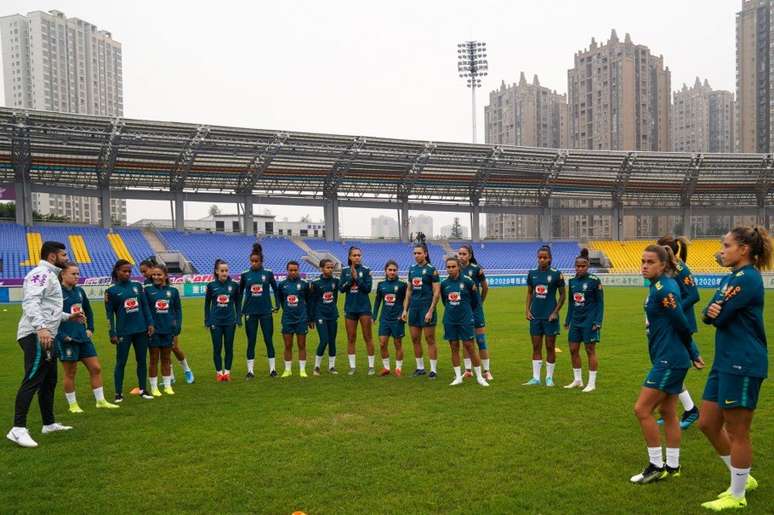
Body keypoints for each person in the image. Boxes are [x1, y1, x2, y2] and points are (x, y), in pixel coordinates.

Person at [696, 226, 771, 511]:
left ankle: (737, 493)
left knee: (738, 430)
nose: (722, 250)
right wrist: (712, 311)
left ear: (744, 250)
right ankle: (743, 477)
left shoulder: (748, 278)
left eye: (726, 246)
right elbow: (708, 314)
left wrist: (714, 311)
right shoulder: (734, 277)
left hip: (743, 361)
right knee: (707, 422)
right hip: (725, 361)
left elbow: (719, 312)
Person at [630, 244, 703, 485]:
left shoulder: (665, 288)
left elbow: (682, 323)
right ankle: (673, 466)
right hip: (668, 356)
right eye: (643, 261)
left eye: (650, 262)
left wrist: (692, 352)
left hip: (669, 359)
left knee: (642, 409)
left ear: (663, 265)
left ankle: (655, 466)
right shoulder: (656, 286)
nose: (644, 266)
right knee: (668, 411)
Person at [7, 241, 77, 448]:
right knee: (33, 378)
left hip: (46, 334)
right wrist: (41, 328)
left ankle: (49, 423)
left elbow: (48, 307)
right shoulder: (41, 273)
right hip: (37, 335)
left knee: (49, 381)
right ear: (53, 256)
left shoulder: (50, 275)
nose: (66, 258)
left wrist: (67, 317)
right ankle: (17, 429)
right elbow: (31, 301)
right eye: (64, 255)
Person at [56, 262, 119, 412]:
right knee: (70, 372)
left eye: (78, 273)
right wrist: (61, 335)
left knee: (96, 368)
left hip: (83, 337)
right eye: (73, 274)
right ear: (63, 274)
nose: (77, 276)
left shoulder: (79, 291)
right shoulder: (56, 293)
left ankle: (101, 401)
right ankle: (73, 405)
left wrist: (90, 328)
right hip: (67, 339)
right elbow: (50, 316)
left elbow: (89, 311)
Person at [655, 236, 702, 429]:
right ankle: (672, 413)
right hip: (671, 322)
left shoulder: (681, 269)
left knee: (671, 368)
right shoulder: (668, 268)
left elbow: (694, 295)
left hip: (681, 322)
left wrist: (675, 309)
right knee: (670, 367)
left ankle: (691, 410)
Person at [105, 259, 155, 402]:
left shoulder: (137, 287)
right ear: (117, 272)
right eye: (124, 271)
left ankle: (143, 389)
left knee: (142, 361)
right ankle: (118, 393)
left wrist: (150, 323)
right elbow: (109, 315)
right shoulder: (111, 291)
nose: (127, 274)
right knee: (121, 362)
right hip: (123, 332)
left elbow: (145, 306)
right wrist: (112, 332)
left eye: (129, 271)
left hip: (141, 330)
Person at [140, 258, 194, 384]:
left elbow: (176, 308)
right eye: (142, 272)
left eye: (145, 271)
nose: (144, 274)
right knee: (163, 352)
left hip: (169, 324)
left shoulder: (169, 289)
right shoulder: (146, 286)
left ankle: (187, 370)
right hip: (156, 325)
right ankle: (170, 377)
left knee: (174, 348)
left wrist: (177, 323)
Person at [441, 257, 489, 387]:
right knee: (454, 347)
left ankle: (479, 377)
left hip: (465, 320)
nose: (450, 269)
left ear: (458, 267)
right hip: (450, 320)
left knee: (470, 347)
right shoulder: (444, 284)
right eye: (448, 267)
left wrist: (466, 312)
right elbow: (445, 302)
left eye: (453, 267)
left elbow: (475, 301)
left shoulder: (468, 282)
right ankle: (458, 377)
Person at [524, 245, 566, 386]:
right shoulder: (532, 273)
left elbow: (563, 295)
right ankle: (536, 378)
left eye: (545, 258)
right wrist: (527, 310)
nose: (542, 260)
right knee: (536, 347)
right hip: (535, 316)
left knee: (549, 346)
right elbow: (530, 292)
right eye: (540, 257)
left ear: (550, 259)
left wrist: (555, 312)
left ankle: (549, 378)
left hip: (550, 317)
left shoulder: (556, 274)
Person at [563, 248, 604, 393]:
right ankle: (578, 380)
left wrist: (598, 321)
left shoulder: (594, 281)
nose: (580, 268)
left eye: (583, 266)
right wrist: (568, 320)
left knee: (590, 350)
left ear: (588, 266)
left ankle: (591, 383)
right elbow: (571, 303)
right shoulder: (572, 281)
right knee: (573, 349)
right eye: (578, 266)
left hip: (590, 321)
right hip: (576, 321)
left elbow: (600, 303)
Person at [238, 243, 278, 378]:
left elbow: (276, 290)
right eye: (252, 261)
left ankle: (272, 369)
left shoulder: (268, 273)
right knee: (251, 341)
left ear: (261, 261)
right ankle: (250, 371)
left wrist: (277, 304)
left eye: (257, 261)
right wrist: (240, 311)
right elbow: (239, 294)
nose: (254, 263)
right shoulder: (245, 275)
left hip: (266, 311)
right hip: (250, 312)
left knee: (268, 339)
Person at [402, 242, 441, 378]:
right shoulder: (412, 269)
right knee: (415, 339)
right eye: (415, 253)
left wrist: (431, 310)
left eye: (419, 253)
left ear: (425, 254)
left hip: (426, 307)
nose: (417, 255)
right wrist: (405, 310)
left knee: (429, 338)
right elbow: (409, 291)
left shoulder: (432, 270)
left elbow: (437, 292)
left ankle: (433, 370)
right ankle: (420, 368)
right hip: (414, 308)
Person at [144, 264, 182, 396]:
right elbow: (146, 309)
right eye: (153, 274)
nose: (156, 277)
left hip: (168, 330)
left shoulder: (173, 291)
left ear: (165, 276)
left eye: (159, 274)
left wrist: (177, 326)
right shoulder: (147, 290)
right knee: (154, 359)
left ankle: (167, 386)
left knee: (166, 358)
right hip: (153, 330)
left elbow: (177, 310)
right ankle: (154, 387)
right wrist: (149, 324)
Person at [457, 244, 492, 380]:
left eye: (464, 254)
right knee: (466, 341)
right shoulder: (456, 269)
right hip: (463, 311)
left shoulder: (476, 269)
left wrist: (480, 303)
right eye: (459, 254)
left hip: (476, 311)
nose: (461, 256)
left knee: (481, 341)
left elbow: (485, 287)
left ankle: (487, 371)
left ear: (470, 256)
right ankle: (468, 370)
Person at [339, 246, 376, 375]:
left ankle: (371, 366)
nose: (357, 257)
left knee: (368, 337)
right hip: (350, 309)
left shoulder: (366, 270)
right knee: (351, 338)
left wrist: (357, 278)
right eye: (354, 255)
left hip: (364, 308)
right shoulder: (344, 271)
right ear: (349, 257)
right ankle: (352, 367)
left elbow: (367, 289)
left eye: (359, 255)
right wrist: (350, 279)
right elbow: (341, 289)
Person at [204, 259, 241, 382]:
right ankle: (219, 373)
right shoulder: (211, 286)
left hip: (230, 322)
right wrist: (207, 320)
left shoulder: (234, 285)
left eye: (226, 270)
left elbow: (238, 303)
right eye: (222, 271)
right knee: (217, 348)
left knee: (229, 348)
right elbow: (207, 304)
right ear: (217, 271)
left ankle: (227, 372)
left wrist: (238, 318)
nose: (224, 273)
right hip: (216, 322)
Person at [277, 261, 312, 378]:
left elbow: (308, 300)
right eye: (291, 270)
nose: (293, 272)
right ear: (287, 270)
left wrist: (309, 318)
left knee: (302, 345)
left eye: (295, 270)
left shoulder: (304, 284)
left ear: (298, 270)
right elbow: (282, 300)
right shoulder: (282, 285)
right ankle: (287, 370)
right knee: (287, 345)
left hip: (301, 319)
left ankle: (302, 370)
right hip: (287, 319)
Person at [372, 260, 408, 376]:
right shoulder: (381, 285)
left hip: (397, 319)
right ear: (386, 271)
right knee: (382, 343)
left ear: (397, 271)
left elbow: (408, 300)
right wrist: (374, 315)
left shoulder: (402, 285)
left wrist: (404, 312)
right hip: (385, 319)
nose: (392, 272)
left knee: (397, 343)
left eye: (394, 270)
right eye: (390, 270)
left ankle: (398, 368)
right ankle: (386, 368)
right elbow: (378, 301)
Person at [309, 258, 339, 375]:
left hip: (332, 314)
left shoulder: (335, 281)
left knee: (332, 341)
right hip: (320, 315)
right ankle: (316, 366)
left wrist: (332, 308)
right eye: (328, 267)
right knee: (324, 340)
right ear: (321, 268)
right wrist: (311, 318)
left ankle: (332, 367)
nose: (330, 269)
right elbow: (312, 301)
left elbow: (335, 297)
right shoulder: (316, 283)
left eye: (331, 267)